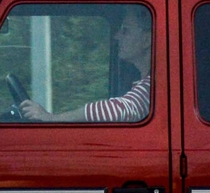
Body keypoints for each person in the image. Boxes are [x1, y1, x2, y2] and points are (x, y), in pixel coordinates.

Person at [15, 8, 153, 123]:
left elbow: (117, 110)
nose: (117, 36)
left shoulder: (153, 87)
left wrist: (52, 118)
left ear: (146, 39)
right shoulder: (145, 85)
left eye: (125, 30)